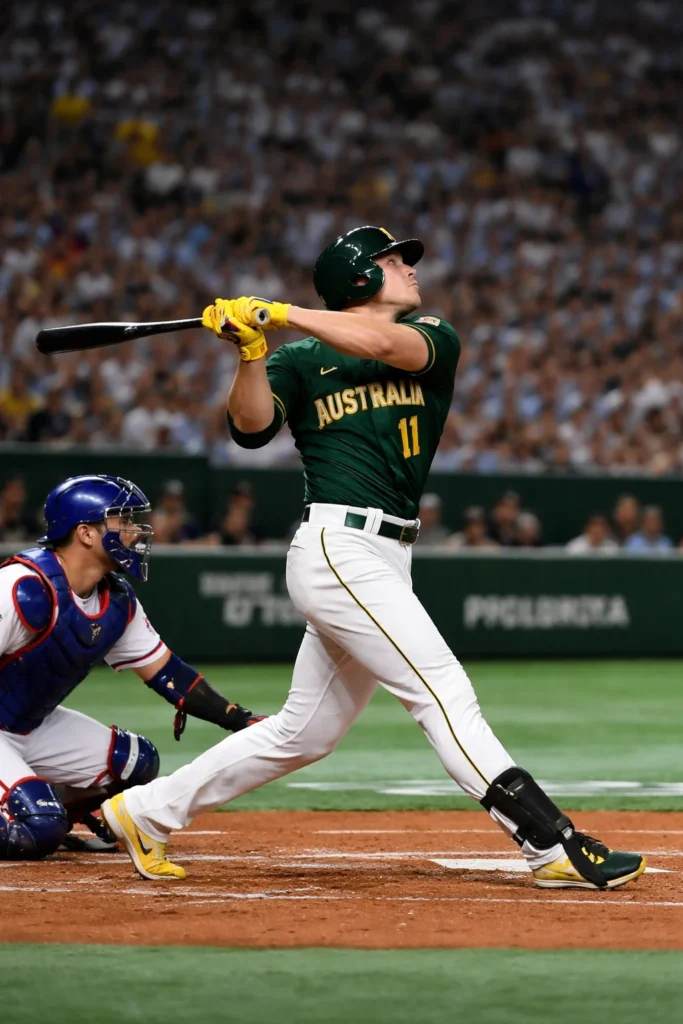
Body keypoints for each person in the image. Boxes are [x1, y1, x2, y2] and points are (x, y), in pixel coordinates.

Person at [104, 225, 644, 891]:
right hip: (338, 546)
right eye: (392, 262)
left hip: (389, 554)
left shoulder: (432, 334)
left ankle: (144, 811)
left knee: (305, 732)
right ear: (358, 277)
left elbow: (385, 345)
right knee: (441, 691)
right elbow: (249, 428)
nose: (409, 270)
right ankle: (549, 841)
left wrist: (281, 311)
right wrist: (249, 351)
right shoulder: (298, 360)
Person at [0, 475, 263, 864]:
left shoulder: (116, 599)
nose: (135, 530)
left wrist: (241, 720)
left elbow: (169, 675)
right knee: (39, 827)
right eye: (121, 520)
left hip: (30, 725)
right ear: (86, 533)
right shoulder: (22, 586)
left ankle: (55, 807)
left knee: (136, 761)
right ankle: (40, 813)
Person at [150, 479, 201, 544]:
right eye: (170, 499)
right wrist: (172, 526)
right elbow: (157, 540)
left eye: (177, 499)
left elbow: (192, 541)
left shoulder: (187, 520)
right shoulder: (154, 518)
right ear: (162, 499)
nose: (173, 503)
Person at [0, 477, 41, 544]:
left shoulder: (30, 521)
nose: (15, 496)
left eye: (18, 491)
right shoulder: (2, 520)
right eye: (11, 491)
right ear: (3, 493)